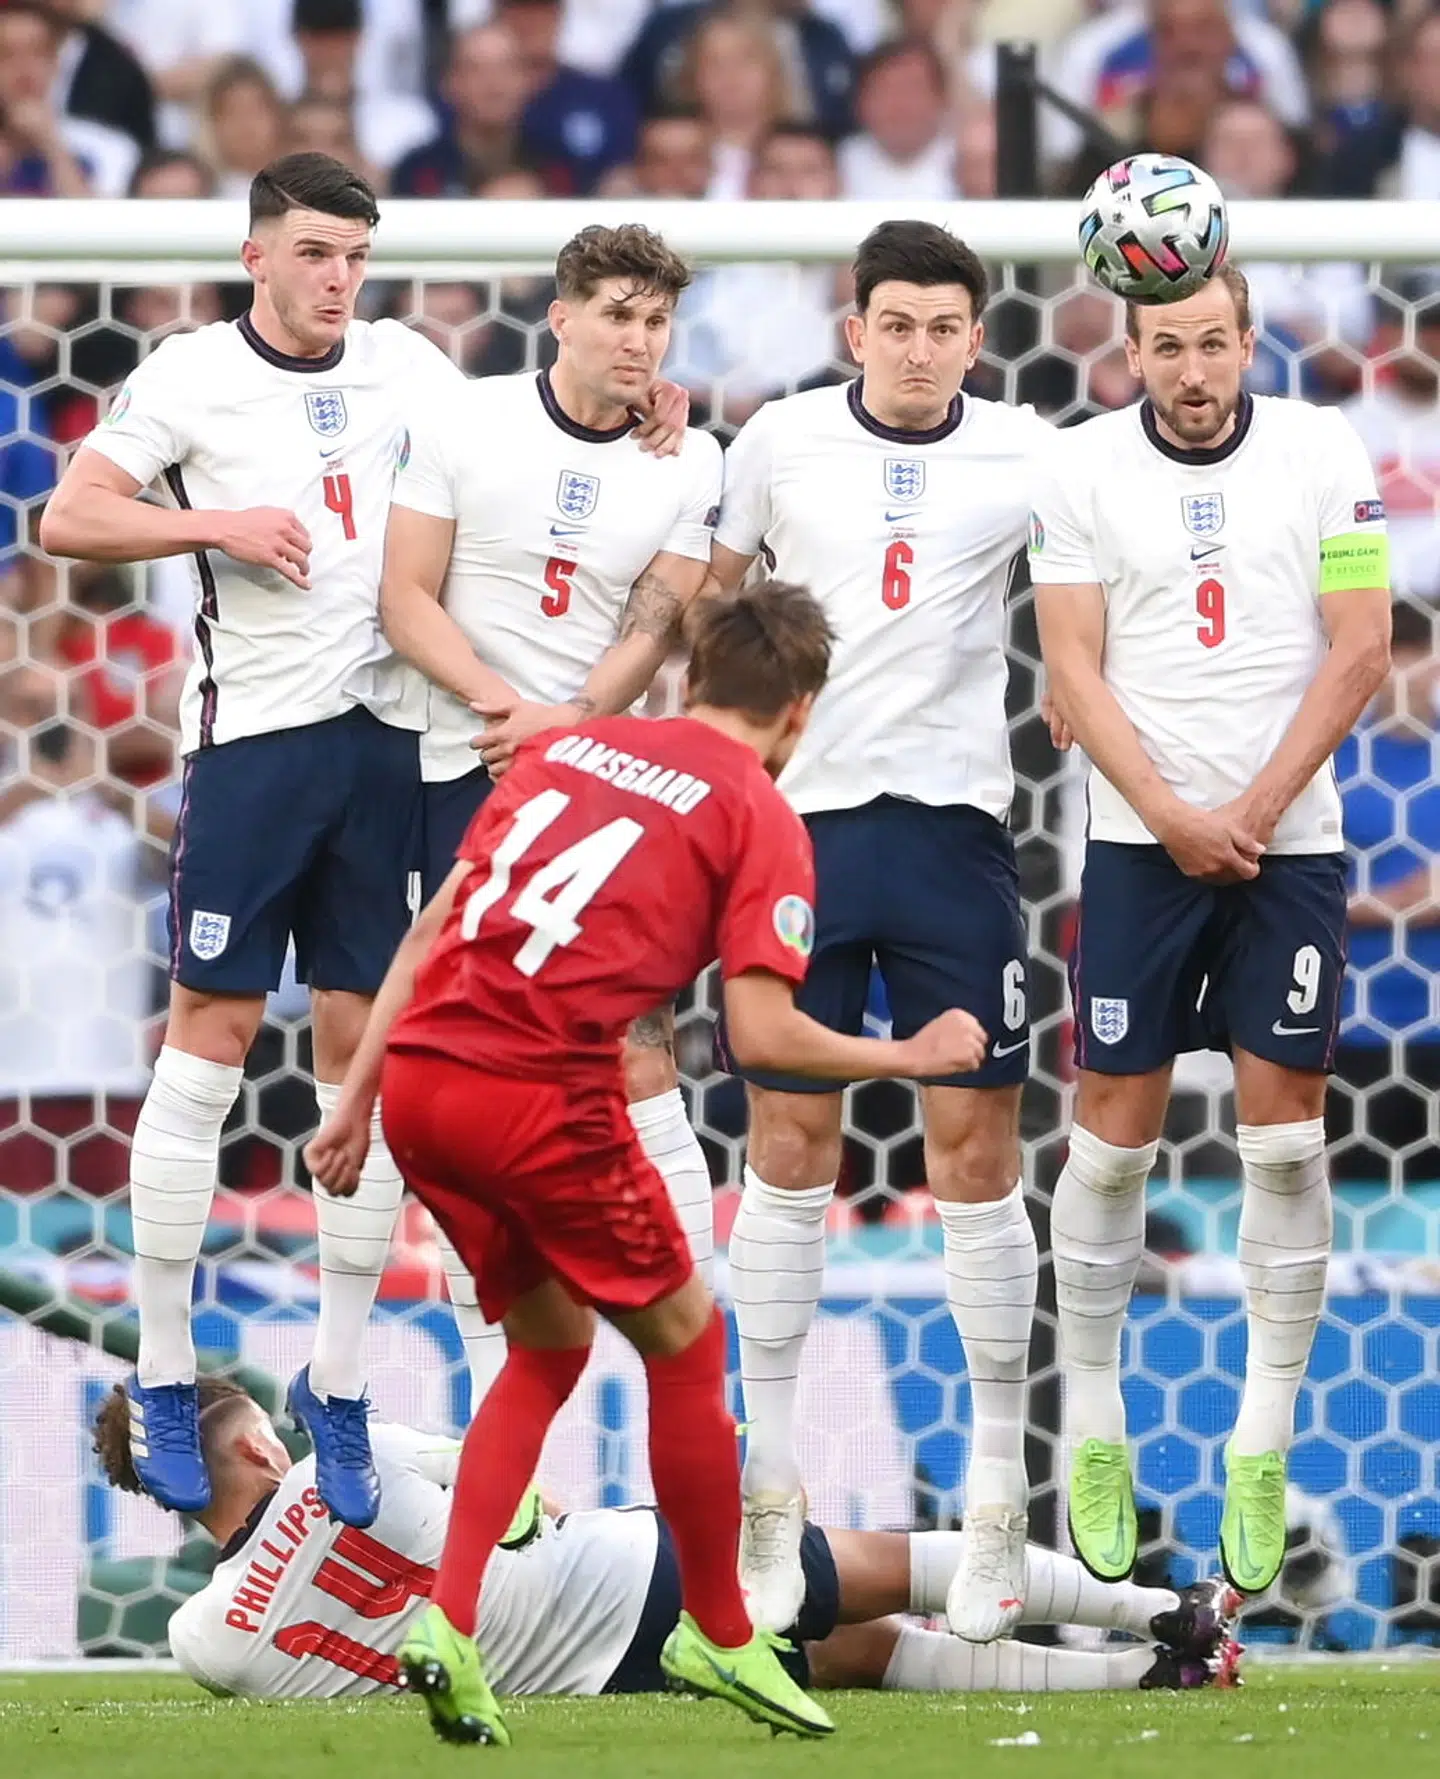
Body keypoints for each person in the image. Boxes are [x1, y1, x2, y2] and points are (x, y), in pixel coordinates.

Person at [303, 585, 991, 1745]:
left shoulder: (578, 750)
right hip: (541, 1095)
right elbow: (761, 1037)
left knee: (549, 1345)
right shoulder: (758, 814)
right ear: (802, 713)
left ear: (685, 680)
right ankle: (720, 1631)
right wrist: (909, 1052)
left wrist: (355, 1103)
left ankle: (448, 1621)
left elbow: (425, 936)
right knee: (688, 1342)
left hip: (423, 1086)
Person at [38, 153, 478, 1531]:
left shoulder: (411, 366)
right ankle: (167, 1373)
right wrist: (214, 519)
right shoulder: (189, 376)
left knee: (368, 1053)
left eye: (353, 253)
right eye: (311, 251)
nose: (335, 278)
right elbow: (69, 513)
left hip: (390, 742)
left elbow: (513, 464)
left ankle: (338, 1383)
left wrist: (647, 426)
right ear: (255, 255)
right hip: (255, 747)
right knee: (209, 1036)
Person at [705, 220, 1046, 1645]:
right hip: (802, 831)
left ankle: (996, 1492)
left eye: (942, 326)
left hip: (957, 835)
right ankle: (769, 1484)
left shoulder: (1035, 452)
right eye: (893, 323)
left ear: (978, 338)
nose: (916, 348)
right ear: (855, 330)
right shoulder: (777, 442)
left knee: (976, 1146)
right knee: (790, 1147)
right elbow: (714, 617)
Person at [1030, 264, 1391, 1599]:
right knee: (1111, 1134)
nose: (1193, 369)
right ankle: (1095, 1420)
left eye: (1214, 344)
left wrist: (1250, 807)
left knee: (1285, 1136)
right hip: (1137, 842)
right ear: (1129, 349)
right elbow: (1070, 661)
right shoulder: (1079, 471)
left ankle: (1263, 1439)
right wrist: (1178, 812)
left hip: (1285, 840)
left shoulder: (1324, 446)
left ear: (1251, 342)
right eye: (1167, 347)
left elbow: (1362, 646)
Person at [90, 1376, 1243, 1704]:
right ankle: (1165, 1618)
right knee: (874, 1572)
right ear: (252, 1449)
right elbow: (506, 1475)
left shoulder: (205, 1644)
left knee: (863, 1659)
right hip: (619, 1572)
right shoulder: (352, 1454)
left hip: (594, 1684)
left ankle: (1146, 1676)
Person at [379, 222, 723, 1310]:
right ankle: (498, 1413)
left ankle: (691, 1337)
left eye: (658, 321)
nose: (640, 342)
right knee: (469, 1065)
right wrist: (507, 708)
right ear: (561, 316)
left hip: (603, 785)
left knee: (639, 1055)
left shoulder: (689, 457)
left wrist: (566, 722)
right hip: (459, 765)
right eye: (618, 315)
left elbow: (655, 620)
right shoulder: (465, 419)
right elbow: (403, 597)